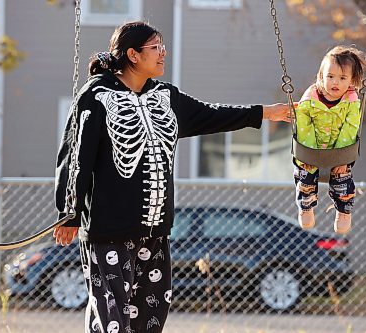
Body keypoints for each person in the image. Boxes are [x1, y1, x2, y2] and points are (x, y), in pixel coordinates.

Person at [53, 21, 291, 333]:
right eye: (156, 47)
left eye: (163, 46)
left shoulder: (166, 96)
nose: (164, 52)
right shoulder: (95, 96)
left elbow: (213, 114)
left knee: (149, 321)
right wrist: (68, 212)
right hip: (107, 230)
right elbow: (74, 155)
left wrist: (264, 113)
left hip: (155, 232)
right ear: (133, 55)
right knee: (111, 321)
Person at [293, 45, 366, 234]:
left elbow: (350, 128)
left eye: (342, 78)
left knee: (343, 180)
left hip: (339, 150)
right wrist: (311, 153)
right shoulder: (309, 99)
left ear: (352, 81)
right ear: (321, 76)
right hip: (311, 148)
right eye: (330, 76)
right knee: (305, 179)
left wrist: (341, 158)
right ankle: (306, 207)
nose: (335, 82)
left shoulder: (351, 101)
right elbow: (303, 125)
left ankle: (343, 213)